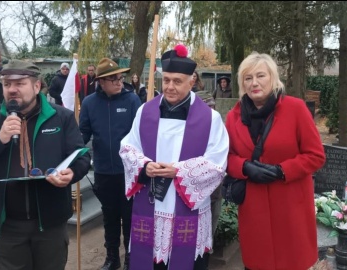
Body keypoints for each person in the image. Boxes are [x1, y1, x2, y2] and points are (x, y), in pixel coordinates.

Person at [0, 59, 91, 270]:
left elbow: (82, 157)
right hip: (7, 225)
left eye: (20, 83)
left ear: (36, 86)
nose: (12, 89)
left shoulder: (61, 117)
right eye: (7, 83)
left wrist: (72, 173)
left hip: (50, 224)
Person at [119, 44, 229, 270]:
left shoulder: (211, 118)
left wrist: (178, 171)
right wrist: (145, 165)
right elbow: (128, 148)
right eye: (166, 80)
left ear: (192, 81)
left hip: (188, 208)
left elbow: (217, 164)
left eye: (177, 81)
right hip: (151, 206)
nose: (169, 87)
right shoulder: (144, 111)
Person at [225, 52, 325, 269]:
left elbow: (316, 155)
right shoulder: (234, 117)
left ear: (273, 78)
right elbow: (227, 156)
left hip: (291, 207)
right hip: (254, 208)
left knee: (292, 262)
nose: (254, 83)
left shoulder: (295, 109)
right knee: (257, 262)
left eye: (260, 76)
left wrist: (282, 170)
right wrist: (245, 167)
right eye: (248, 78)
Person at [79, 58, 142, 270]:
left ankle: (130, 260)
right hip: (104, 171)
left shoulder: (132, 101)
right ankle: (112, 258)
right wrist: (73, 147)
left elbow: (141, 135)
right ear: (101, 82)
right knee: (110, 217)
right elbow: (83, 134)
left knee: (129, 217)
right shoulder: (89, 103)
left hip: (129, 173)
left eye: (121, 78)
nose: (119, 82)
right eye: (113, 79)